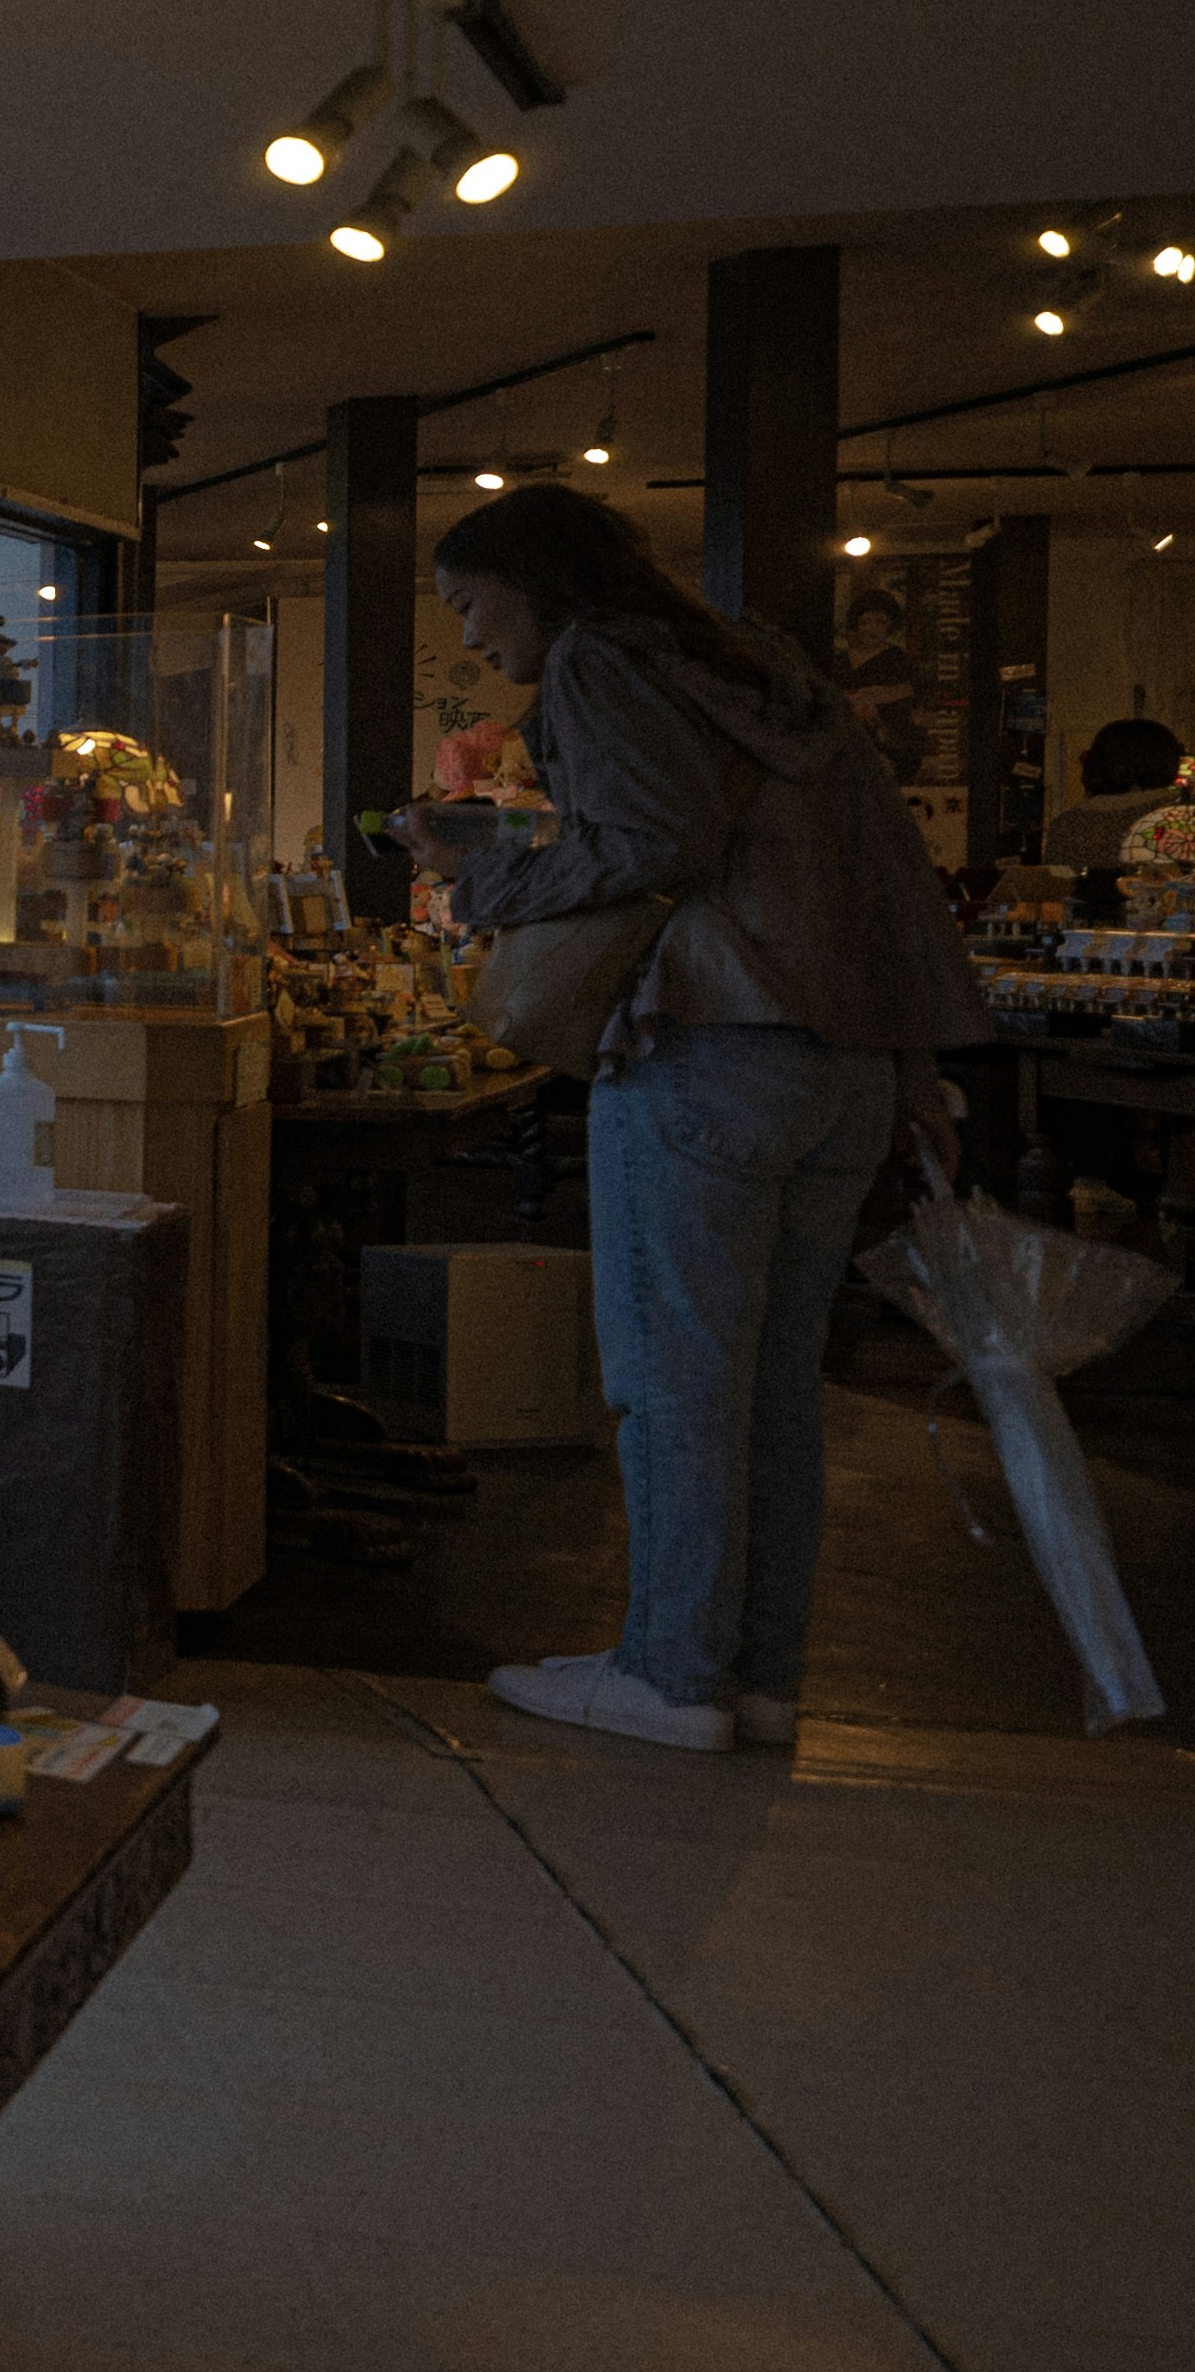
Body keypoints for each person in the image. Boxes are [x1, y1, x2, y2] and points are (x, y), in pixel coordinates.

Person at [410, 486, 992, 1752]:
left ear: (534, 578)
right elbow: (885, 871)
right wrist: (911, 1073)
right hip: (841, 1068)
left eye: (469, 603)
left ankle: (673, 1677)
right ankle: (756, 1677)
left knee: (674, 1380)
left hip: (708, 1045)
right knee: (775, 1388)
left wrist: (483, 875)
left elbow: (653, 838)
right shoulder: (764, 670)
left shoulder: (599, 659)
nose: (469, 637)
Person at [1038, 716, 1181, 892]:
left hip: (1086, 908)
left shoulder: (1068, 824)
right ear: (1164, 761)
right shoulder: (1177, 813)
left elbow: (1055, 887)